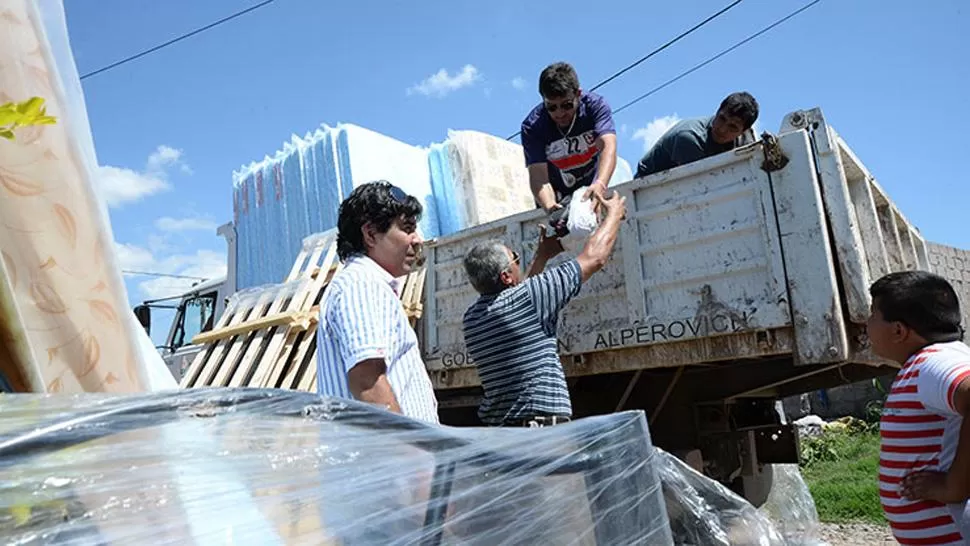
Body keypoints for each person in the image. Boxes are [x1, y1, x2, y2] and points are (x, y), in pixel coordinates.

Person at [460, 190, 627, 427]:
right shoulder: (528, 299)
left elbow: (522, 299)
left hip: (502, 430)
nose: (519, 261)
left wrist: (543, 255)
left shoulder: (472, 319)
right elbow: (595, 258)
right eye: (515, 258)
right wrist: (613, 215)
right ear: (507, 276)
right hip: (539, 432)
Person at [315, 180, 439, 424]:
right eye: (407, 228)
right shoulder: (362, 284)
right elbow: (367, 383)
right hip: (395, 458)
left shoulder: (365, 284)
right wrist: (413, 451)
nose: (417, 240)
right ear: (371, 234)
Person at [868, 271, 969, 544]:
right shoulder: (933, 361)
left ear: (898, 330)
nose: (866, 325)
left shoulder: (932, 364)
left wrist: (953, 487)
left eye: (872, 316)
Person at [521, 62, 617, 227]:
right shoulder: (533, 126)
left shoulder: (596, 107)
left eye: (566, 105)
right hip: (557, 193)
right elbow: (538, 177)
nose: (559, 113)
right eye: (551, 107)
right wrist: (551, 208)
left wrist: (600, 184)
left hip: (592, 185)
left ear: (578, 94)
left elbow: (608, 147)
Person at [635, 92, 759, 179]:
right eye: (722, 118)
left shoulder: (745, 140)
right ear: (717, 111)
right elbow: (702, 183)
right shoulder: (690, 138)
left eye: (732, 127)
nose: (722, 129)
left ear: (743, 131)